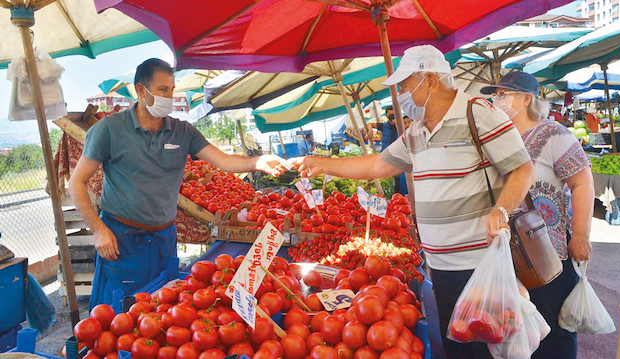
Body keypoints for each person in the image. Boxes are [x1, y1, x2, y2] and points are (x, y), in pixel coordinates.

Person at [293, 45, 535, 358]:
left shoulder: (480, 113)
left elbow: (522, 168)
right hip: (441, 267)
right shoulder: (416, 131)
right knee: (457, 348)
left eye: (406, 85)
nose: (403, 94)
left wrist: (500, 210)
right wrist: (322, 163)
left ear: (430, 80)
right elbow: (378, 165)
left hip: (479, 265)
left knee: (485, 350)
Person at [68, 58, 288, 309]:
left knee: (161, 309)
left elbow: (224, 161)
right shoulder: (109, 129)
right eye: (163, 90)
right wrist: (99, 230)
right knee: (117, 313)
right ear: (141, 90)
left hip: (163, 240)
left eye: (172, 90)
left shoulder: (182, 132)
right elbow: (77, 183)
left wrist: (258, 162)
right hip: (121, 240)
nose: (169, 97)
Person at [481, 71, 594, 359]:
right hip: (508, 255)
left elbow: (582, 183)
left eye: (503, 95)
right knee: (517, 332)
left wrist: (581, 236)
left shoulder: (553, 134)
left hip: (548, 253)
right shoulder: (498, 139)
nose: (497, 100)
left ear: (526, 98)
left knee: (555, 333)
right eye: (495, 95)